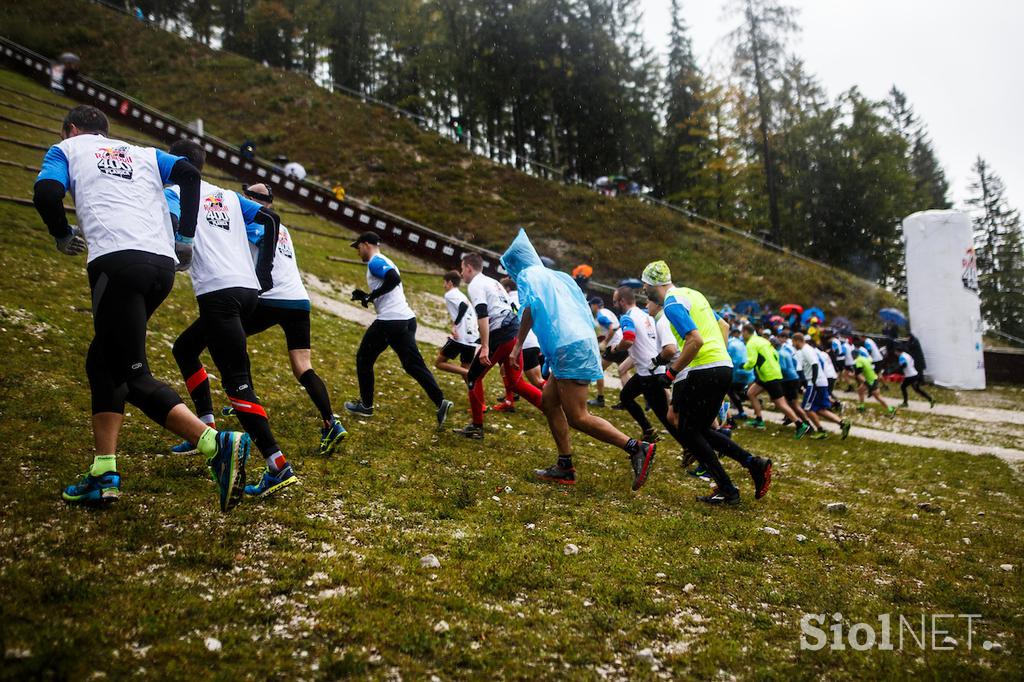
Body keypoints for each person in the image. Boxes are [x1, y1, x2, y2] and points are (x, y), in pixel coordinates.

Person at [33, 105, 250, 511]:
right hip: (160, 266)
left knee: (131, 374)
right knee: (102, 361)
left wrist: (61, 234)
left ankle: (215, 443)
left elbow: (45, 193)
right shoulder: (143, 152)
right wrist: (184, 236)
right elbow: (189, 173)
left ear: (73, 129)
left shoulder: (67, 149)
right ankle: (104, 471)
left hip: (116, 263)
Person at [166, 140, 301, 500]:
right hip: (246, 292)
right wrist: (264, 272)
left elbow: (171, 225)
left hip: (219, 295)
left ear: (175, 162)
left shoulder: (173, 190)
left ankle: (277, 465)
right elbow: (271, 219)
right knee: (186, 348)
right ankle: (204, 426)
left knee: (238, 385)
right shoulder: (225, 194)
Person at [501, 230, 657, 490]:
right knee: (549, 402)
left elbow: (528, 308)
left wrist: (517, 345)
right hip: (577, 342)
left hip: (568, 346)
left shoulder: (529, 276)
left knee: (578, 416)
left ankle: (636, 448)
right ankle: (565, 466)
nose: (511, 274)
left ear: (517, 263)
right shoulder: (557, 276)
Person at [223, 182, 347, 457]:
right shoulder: (286, 229)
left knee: (233, 334)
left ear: (252, 200)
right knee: (304, 366)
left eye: (246, 195)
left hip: (272, 297)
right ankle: (331, 422)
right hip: (299, 301)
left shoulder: (255, 224)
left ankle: (246, 398)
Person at [642, 260, 771, 506]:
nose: (643, 290)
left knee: (688, 432)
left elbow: (695, 340)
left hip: (703, 368)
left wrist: (671, 374)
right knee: (701, 430)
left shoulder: (671, 303)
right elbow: (724, 325)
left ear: (651, 284)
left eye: (644, 285)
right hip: (723, 366)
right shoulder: (693, 294)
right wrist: (719, 355)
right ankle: (753, 464)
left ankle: (728, 488)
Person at [344, 233, 454, 427]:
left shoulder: (375, 262)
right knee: (413, 365)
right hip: (406, 319)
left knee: (364, 359)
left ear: (366, 244)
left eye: (358, 247)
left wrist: (373, 296)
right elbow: (390, 286)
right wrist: (368, 297)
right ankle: (440, 401)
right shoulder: (386, 261)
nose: (357, 251)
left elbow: (393, 279)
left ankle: (366, 406)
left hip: (390, 321)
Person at [453, 252, 543, 439]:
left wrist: (485, 346)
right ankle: (551, 407)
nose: (462, 274)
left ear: (469, 268)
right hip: (513, 332)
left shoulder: (476, 284)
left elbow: (483, 314)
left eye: (462, 269)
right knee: (515, 383)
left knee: (473, 377)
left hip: (500, 335)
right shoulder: (493, 282)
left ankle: (477, 427)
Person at [608, 286, 679, 443]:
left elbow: (628, 338)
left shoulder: (627, 317)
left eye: (615, 302)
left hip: (650, 373)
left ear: (622, 301)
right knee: (625, 396)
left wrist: (615, 348)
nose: (614, 305)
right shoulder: (645, 315)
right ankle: (648, 430)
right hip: (650, 369)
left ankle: (690, 446)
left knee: (664, 415)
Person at [742, 324, 805, 435]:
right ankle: (759, 419)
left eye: (743, 333)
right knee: (751, 393)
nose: (742, 335)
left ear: (746, 332)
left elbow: (751, 362)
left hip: (769, 376)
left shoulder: (751, 343)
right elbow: (776, 354)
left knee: (781, 403)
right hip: (768, 374)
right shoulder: (763, 340)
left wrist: (743, 366)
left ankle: (800, 424)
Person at [792, 334, 851, 440]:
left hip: (815, 383)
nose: (792, 344)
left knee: (807, 408)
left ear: (797, 340)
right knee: (819, 409)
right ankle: (843, 424)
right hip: (820, 381)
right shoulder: (807, 349)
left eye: (793, 342)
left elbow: (814, 364)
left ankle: (820, 430)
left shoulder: (806, 350)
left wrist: (813, 381)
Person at [502, 277, 545, 389]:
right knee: (505, 370)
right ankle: (511, 398)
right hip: (535, 341)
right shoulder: (525, 298)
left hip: (525, 344)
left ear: (507, 288)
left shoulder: (507, 300)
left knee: (538, 381)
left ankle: (559, 400)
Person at [435, 270, 479, 379]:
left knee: (439, 363)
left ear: (449, 282)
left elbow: (463, 307)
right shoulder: (460, 294)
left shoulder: (450, 294)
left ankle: (470, 373)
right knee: (465, 367)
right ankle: (475, 394)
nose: (443, 285)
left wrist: (455, 325)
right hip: (472, 337)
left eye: (444, 282)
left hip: (460, 336)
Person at [588, 296, 629, 408]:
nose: (591, 308)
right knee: (623, 372)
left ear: (595, 305)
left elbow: (611, 328)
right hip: (622, 343)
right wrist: (603, 337)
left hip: (613, 346)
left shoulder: (601, 315)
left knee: (598, 370)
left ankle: (600, 399)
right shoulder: (608, 312)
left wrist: (605, 342)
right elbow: (616, 326)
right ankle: (627, 401)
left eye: (591, 305)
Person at [773, 335, 811, 438]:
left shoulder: (779, 353)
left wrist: (775, 371)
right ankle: (797, 420)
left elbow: (783, 368)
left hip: (788, 380)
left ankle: (807, 424)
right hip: (794, 377)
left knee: (794, 405)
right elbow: (794, 362)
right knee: (790, 403)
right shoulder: (786, 351)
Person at [853, 352, 896, 417]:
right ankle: (861, 407)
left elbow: (858, 374)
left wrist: (852, 375)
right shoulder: (863, 358)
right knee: (860, 390)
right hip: (871, 378)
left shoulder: (858, 361)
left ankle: (891, 409)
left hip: (871, 381)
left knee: (878, 397)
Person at [726, 328, 753, 424]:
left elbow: (728, 357)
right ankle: (746, 397)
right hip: (746, 372)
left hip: (736, 373)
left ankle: (741, 412)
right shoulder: (742, 343)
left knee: (730, 391)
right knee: (738, 390)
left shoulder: (729, 343)